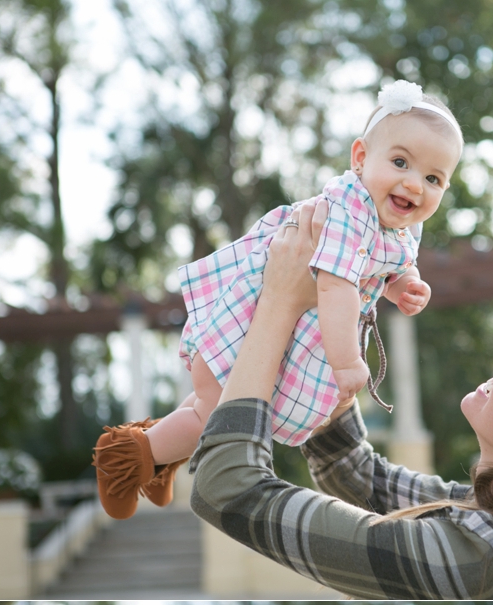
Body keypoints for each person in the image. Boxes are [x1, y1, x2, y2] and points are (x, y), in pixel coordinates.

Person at [184, 200, 493, 601]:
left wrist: (278, 301)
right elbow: (360, 478)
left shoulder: (479, 563)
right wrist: (327, 329)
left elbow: (228, 489)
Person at [93, 80, 463, 520]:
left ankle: (157, 457)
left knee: (207, 403)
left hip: (281, 332)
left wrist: (403, 285)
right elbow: (335, 285)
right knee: (219, 415)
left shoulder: (398, 225)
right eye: (400, 162)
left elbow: (388, 266)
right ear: (361, 158)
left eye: (433, 178)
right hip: (251, 326)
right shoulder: (349, 211)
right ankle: (125, 457)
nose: (414, 184)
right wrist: (346, 363)